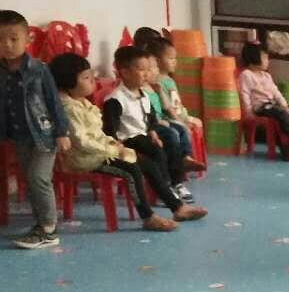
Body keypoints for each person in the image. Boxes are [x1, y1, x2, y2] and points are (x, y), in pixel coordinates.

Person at [48, 52, 186, 231]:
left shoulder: (82, 102)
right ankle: (148, 217)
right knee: (131, 170)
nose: (92, 81)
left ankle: (177, 207)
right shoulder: (68, 108)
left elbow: (98, 133)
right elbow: (82, 142)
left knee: (148, 164)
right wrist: (111, 149)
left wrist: (112, 144)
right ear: (68, 82)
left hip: (99, 153)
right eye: (86, 77)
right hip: (85, 158)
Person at [103, 46, 207, 216]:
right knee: (156, 149)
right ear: (125, 72)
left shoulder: (143, 94)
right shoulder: (115, 99)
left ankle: (176, 183)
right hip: (127, 140)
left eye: (147, 69)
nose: (146, 74)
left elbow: (150, 118)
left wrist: (152, 131)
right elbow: (110, 130)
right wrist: (118, 145)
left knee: (168, 140)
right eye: (141, 70)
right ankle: (165, 188)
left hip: (144, 135)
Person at [0, 10, 70, 248]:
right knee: (29, 180)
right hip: (19, 136)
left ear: (27, 39)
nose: (7, 45)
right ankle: (40, 224)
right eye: (1, 40)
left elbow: (53, 102)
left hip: (44, 134)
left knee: (38, 178)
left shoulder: (39, 69)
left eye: (13, 39)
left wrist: (62, 132)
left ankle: (49, 229)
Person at [149, 36, 206, 152]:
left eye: (175, 58)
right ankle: (187, 155)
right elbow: (166, 108)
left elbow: (176, 103)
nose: (175, 61)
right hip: (171, 118)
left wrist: (185, 117)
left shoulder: (169, 80)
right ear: (157, 61)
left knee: (198, 123)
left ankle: (195, 154)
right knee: (185, 129)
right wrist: (181, 121)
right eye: (170, 58)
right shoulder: (158, 82)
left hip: (180, 115)